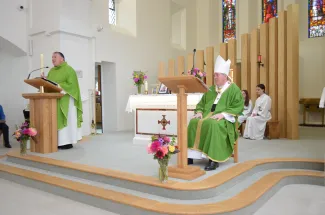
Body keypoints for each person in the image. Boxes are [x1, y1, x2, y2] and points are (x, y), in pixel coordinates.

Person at [187, 55, 244, 171]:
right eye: (214, 75)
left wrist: (223, 114)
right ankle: (191, 155)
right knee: (193, 121)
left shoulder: (234, 90)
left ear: (224, 76)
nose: (214, 77)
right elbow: (202, 103)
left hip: (226, 119)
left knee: (213, 124)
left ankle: (214, 159)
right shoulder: (211, 89)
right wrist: (199, 112)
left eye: (217, 75)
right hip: (208, 115)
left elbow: (238, 106)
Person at [45, 52, 83, 149]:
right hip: (53, 100)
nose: (53, 59)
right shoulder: (51, 71)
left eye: (55, 57)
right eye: (52, 57)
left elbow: (72, 85)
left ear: (62, 59)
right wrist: (44, 80)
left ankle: (66, 141)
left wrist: (58, 85)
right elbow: (49, 84)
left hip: (66, 100)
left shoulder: (69, 70)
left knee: (67, 119)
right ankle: (55, 141)